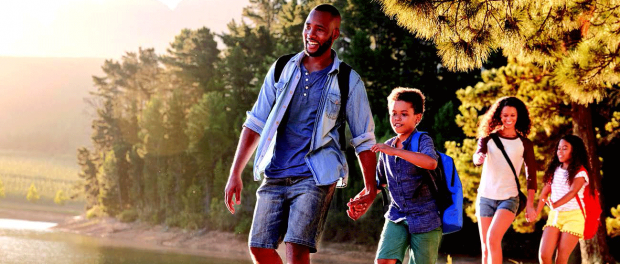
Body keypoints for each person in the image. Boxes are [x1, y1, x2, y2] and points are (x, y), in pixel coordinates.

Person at [223, 4, 377, 264]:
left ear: (334, 34)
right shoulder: (283, 67)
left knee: (296, 246)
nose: (311, 34)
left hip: (316, 175)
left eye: (319, 29)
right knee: (259, 248)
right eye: (307, 27)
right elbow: (255, 122)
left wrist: (370, 188)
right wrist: (234, 173)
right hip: (275, 171)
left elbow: (364, 140)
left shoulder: (349, 80)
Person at [367, 87, 442, 264]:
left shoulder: (422, 140)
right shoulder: (388, 146)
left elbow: (431, 162)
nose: (397, 118)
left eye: (403, 114)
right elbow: (379, 182)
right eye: (393, 113)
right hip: (396, 215)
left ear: (418, 117)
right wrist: (361, 199)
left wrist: (395, 152)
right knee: (384, 261)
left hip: (426, 218)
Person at [472, 96, 538, 264]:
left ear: (519, 117)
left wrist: (530, 205)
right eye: (505, 115)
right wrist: (478, 158)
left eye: (512, 116)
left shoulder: (524, 143)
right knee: (485, 247)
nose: (508, 119)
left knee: (493, 238)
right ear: (498, 116)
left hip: (509, 198)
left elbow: (531, 176)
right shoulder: (488, 138)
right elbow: (478, 154)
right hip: (485, 197)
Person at [537, 135, 594, 264]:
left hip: (574, 216)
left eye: (565, 148)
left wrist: (555, 204)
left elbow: (573, 192)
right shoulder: (554, 170)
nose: (560, 151)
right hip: (555, 215)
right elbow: (544, 192)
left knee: (561, 259)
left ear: (574, 151)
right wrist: (536, 211)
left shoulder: (580, 172)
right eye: (559, 148)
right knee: (544, 255)